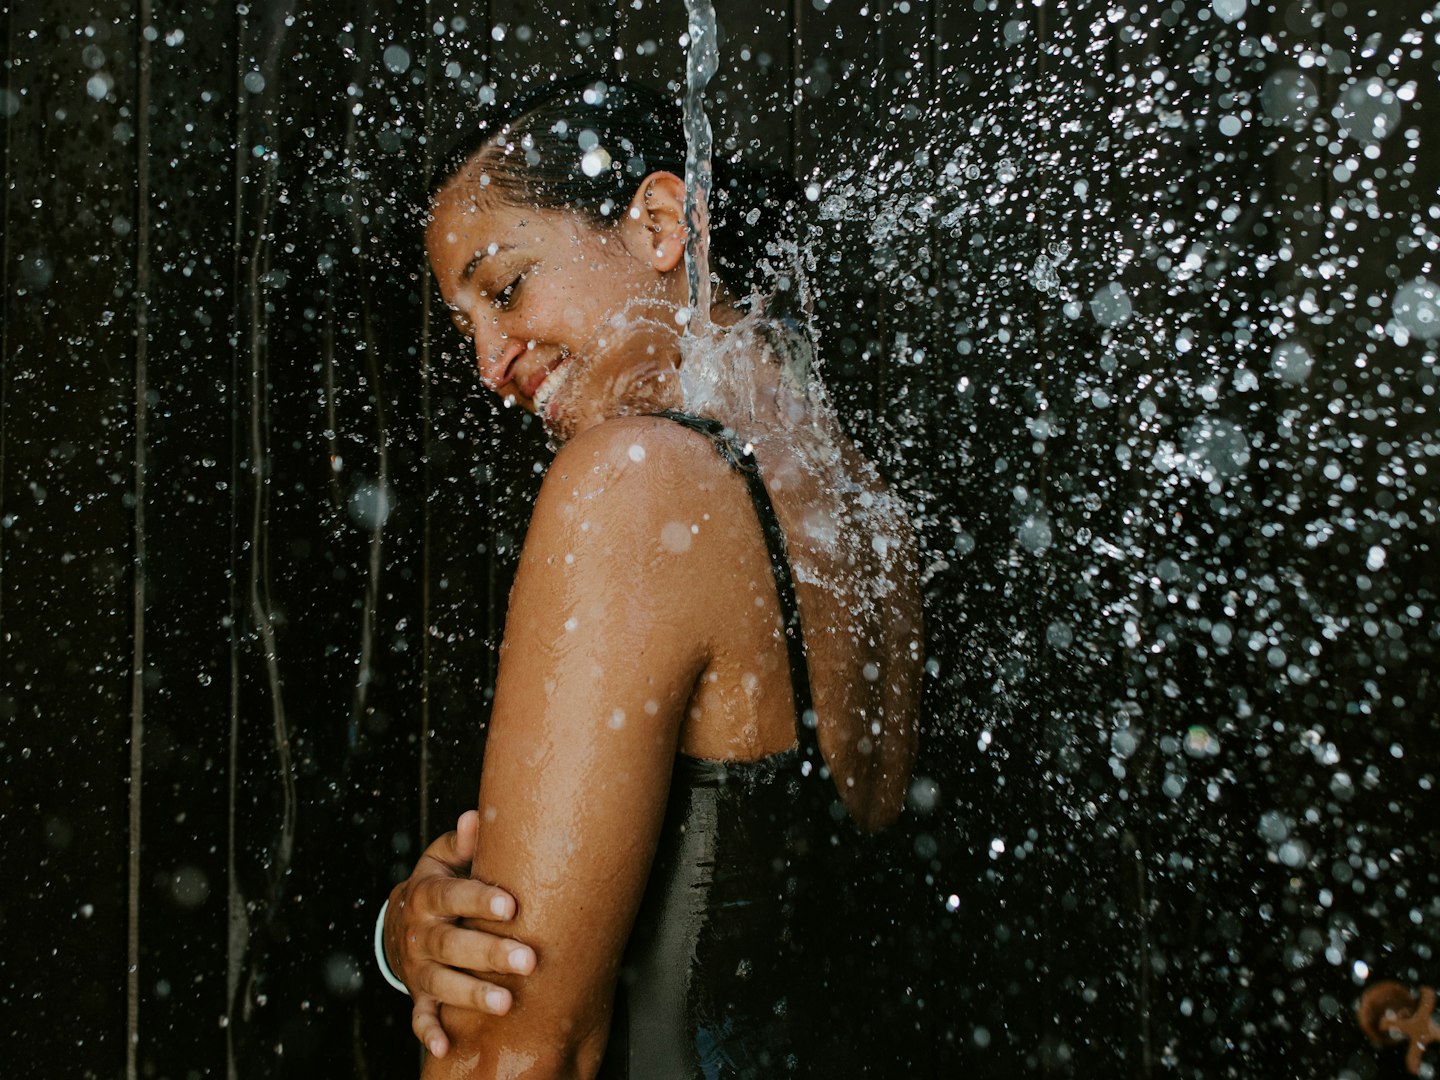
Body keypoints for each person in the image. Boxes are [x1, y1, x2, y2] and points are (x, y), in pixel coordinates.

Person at [380, 73, 922, 1079]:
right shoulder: (862, 504)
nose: (490, 367)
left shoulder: (637, 483)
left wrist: (423, 950)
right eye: (466, 332)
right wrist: (403, 936)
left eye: (504, 290)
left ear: (661, 222)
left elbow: (520, 1043)